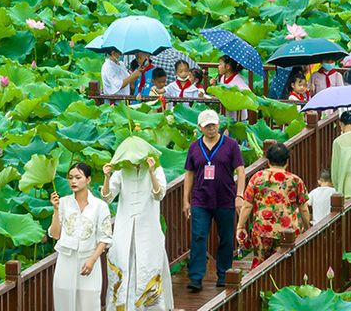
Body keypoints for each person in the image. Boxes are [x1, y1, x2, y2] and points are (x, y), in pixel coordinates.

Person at [101, 140, 174, 311]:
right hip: (125, 226)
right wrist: (107, 177)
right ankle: (123, 306)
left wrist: (151, 172)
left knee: (148, 262)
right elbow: (107, 197)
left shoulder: (155, 168)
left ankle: (150, 306)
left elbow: (159, 194)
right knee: (122, 262)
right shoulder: (120, 171)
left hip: (148, 226)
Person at [183, 110, 245, 292]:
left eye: (214, 124)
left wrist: (239, 195)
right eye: (207, 125)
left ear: (219, 124)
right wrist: (186, 200)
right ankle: (195, 277)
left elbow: (240, 170)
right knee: (198, 236)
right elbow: (189, 173)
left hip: (225, 198)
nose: (211, 128)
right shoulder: (194, 147)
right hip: (201, 198)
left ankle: (224, 273)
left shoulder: (231, 145)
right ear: (200, 127)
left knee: (225, 237)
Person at [50, 163, 113, 311]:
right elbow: (55, 234)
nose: (73, 181)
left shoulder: (100, 206)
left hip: (89, 260)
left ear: (88, 179)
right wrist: (56, 210)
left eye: (78, 177)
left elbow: (105, 238)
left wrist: (92, 260)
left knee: (89, 302)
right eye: (70, 178)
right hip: (66, 259)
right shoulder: (63, 203)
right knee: (63, 301)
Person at [237, 143, 310, 265]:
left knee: (259, 264)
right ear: (287, 161)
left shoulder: (257, 177)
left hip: (261, 229)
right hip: (287, 231)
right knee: (286, 266)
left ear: (268, 160)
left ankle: (258, 284)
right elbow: (303, 208)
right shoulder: (295, 180)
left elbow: (247, 205)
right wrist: (307, 227)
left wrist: (240, 226)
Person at [209, 55, 251, 122]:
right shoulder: (223, 78)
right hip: (225, 115)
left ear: (228, 67)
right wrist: (214, 86)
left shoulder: (238, 79)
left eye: (220, 64)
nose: (218, 67)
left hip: (238, 117)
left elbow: (248, 93)